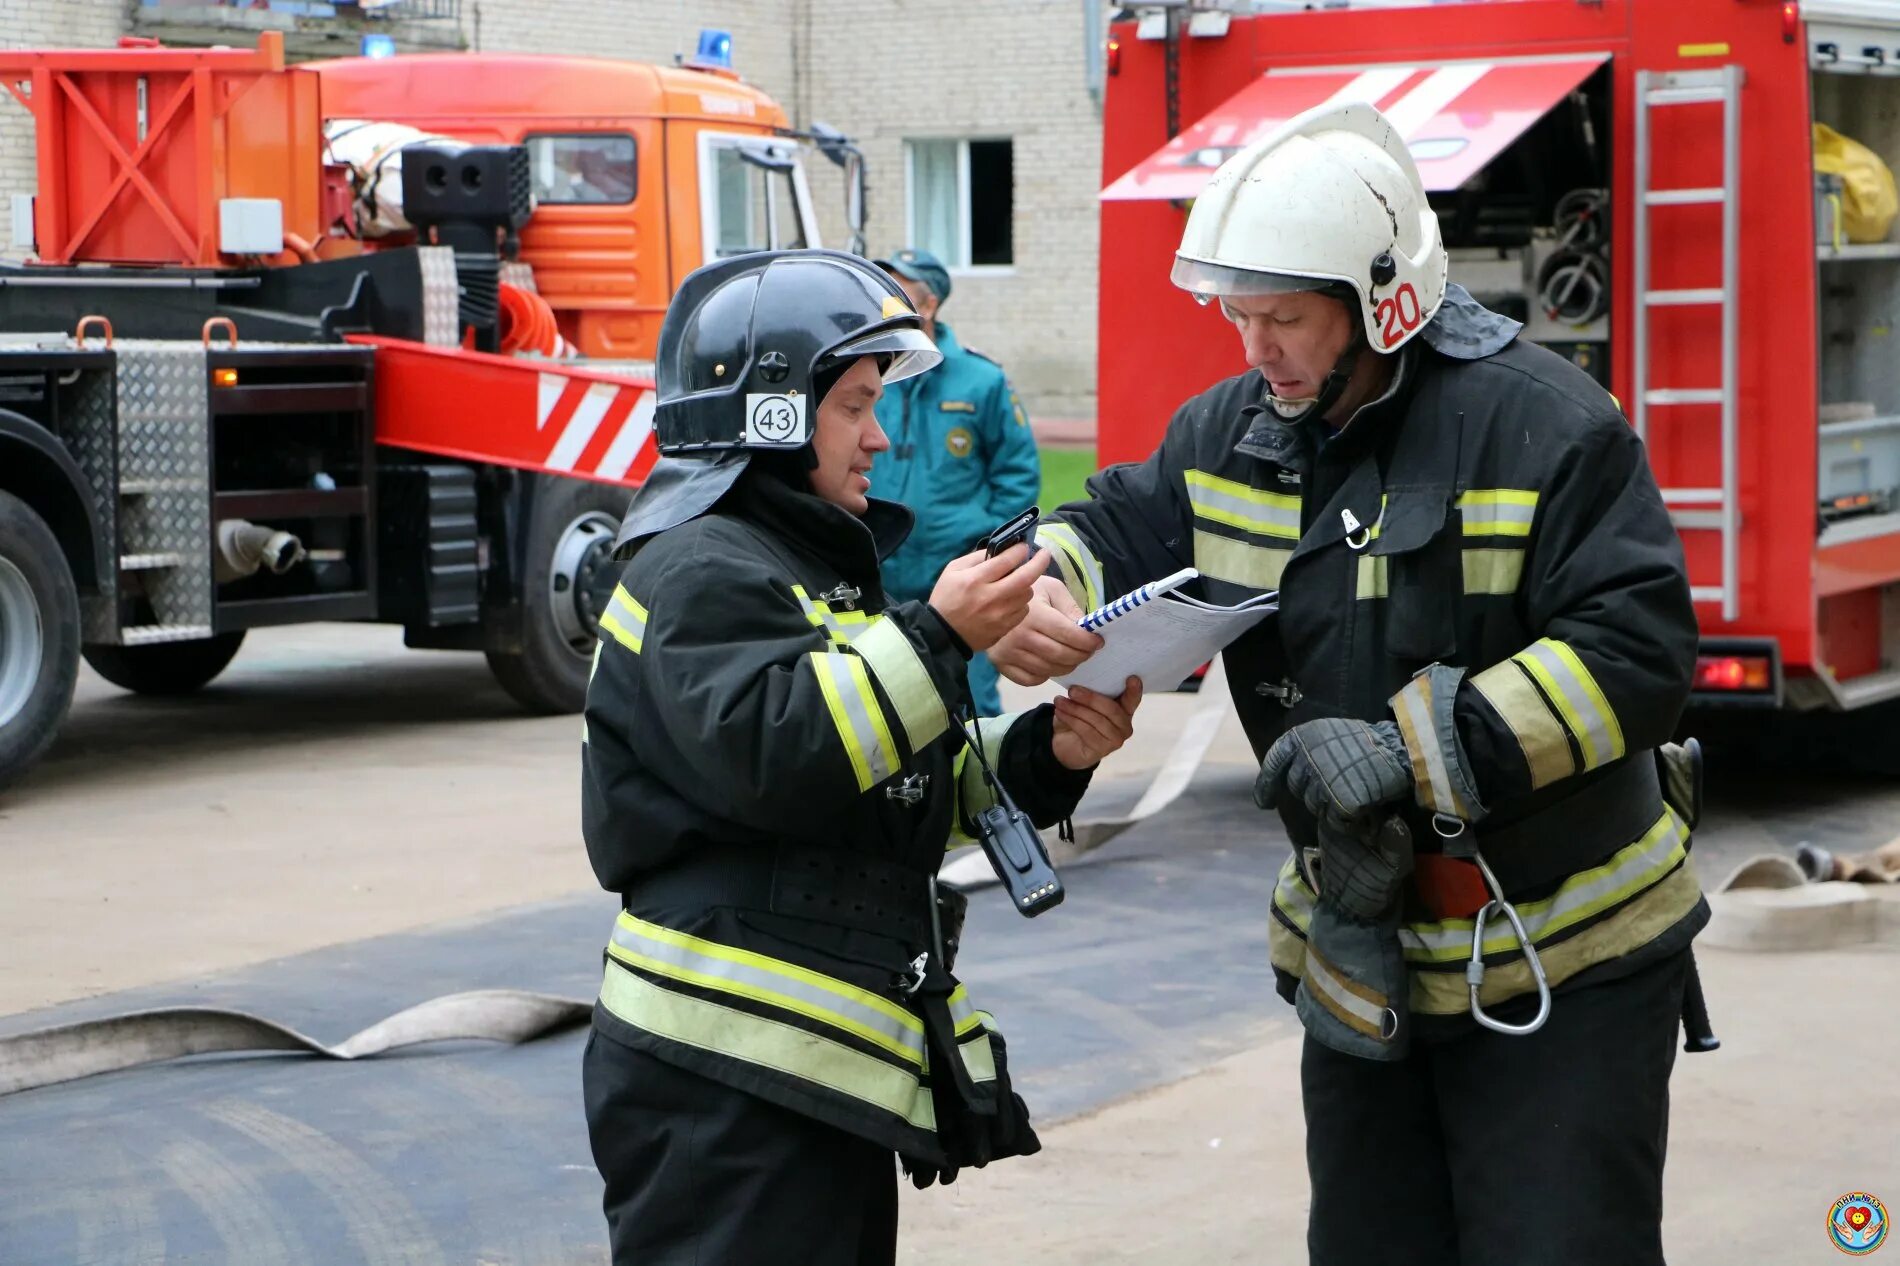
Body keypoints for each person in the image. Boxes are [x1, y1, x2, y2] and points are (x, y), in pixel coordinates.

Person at [987, 102, 1707, 1266]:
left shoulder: (1545, 428)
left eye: (1286, 320)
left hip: (1565, 958)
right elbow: (1113, 521)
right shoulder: (1232, 431)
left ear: (1387, 304)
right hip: (1363, 954)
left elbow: (1635, 654)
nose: (1254, 350)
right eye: (1239, 317)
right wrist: (1045, 585)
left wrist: (1420, 751)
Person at [579, 248, 1143, 1266]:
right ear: (774, 412)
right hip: (724, 1079)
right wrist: (939, 636)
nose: (881, 436)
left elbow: (882, 785)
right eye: (853, 406)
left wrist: (1048, 756)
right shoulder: (702, 569)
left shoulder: (802, 564)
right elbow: (778, 754)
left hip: (795, 1070)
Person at [869, 247, 1041, 717]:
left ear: (928, 305)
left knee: (970, 700)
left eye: (896, 291)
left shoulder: (981, 379)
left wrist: (987, 548)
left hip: (959, 573)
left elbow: (1017, 473)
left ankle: (985, 792)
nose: (882, 302)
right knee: (888, 701)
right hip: (877, 572)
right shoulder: (866, 373)